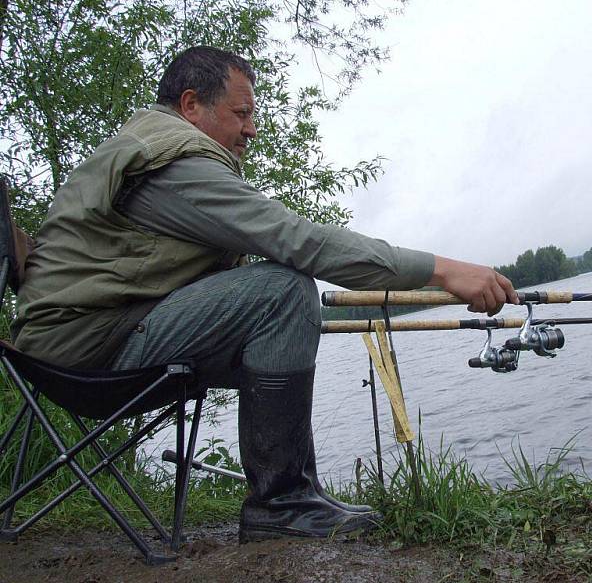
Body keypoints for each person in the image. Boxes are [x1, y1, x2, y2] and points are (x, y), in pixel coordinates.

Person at [11, 46, 517, 542]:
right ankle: (281, 503)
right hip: (87, 351)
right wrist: (443, 271)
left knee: (281, 307)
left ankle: (299, 493)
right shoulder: (173, 164)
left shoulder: (144, 146)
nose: (251, 129)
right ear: (191, 106)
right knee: (284, 290)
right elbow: (300, 241)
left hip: (74, 343)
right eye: (241, 113)